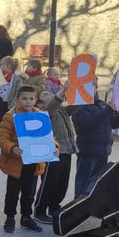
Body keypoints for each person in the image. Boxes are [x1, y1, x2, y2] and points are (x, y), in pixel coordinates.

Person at [0, 86, 52, 233]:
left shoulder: (40, 115)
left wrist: (54, 147)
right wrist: (12, 148)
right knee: (12, 193)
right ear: (17, 99)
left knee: (29, 193)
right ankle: (10, 217)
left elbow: (48, 136)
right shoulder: (10, 116)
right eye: (24, 98)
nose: (28, 102)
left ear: (35, 100)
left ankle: (26, 217)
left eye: (31, 99)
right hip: (16, 163)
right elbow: (2, 137)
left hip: (33, 163)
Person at [34, 89, 76, 223]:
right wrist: (62, 92)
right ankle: (40, 210)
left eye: (50, 92)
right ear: (39, 101)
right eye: (44, 94)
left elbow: (78, 105)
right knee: (49, 183)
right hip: (52, 152)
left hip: (67, 151)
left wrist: (87, 90)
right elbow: (51, 106)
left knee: (62, 183)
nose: (50, 94)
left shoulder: (62, 110)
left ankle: (54, 207)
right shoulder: (43, 111)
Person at [71, 88, 117, 197]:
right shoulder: (79, 106)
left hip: (103, 150)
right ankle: (78, 208)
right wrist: (108, 110)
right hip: (88, 151)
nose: (93, 89)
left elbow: (114, 123)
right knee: (83, 183)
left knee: (97, 184)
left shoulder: (101, 104)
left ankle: (92, 207)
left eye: (94, 85)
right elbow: (86, 124)